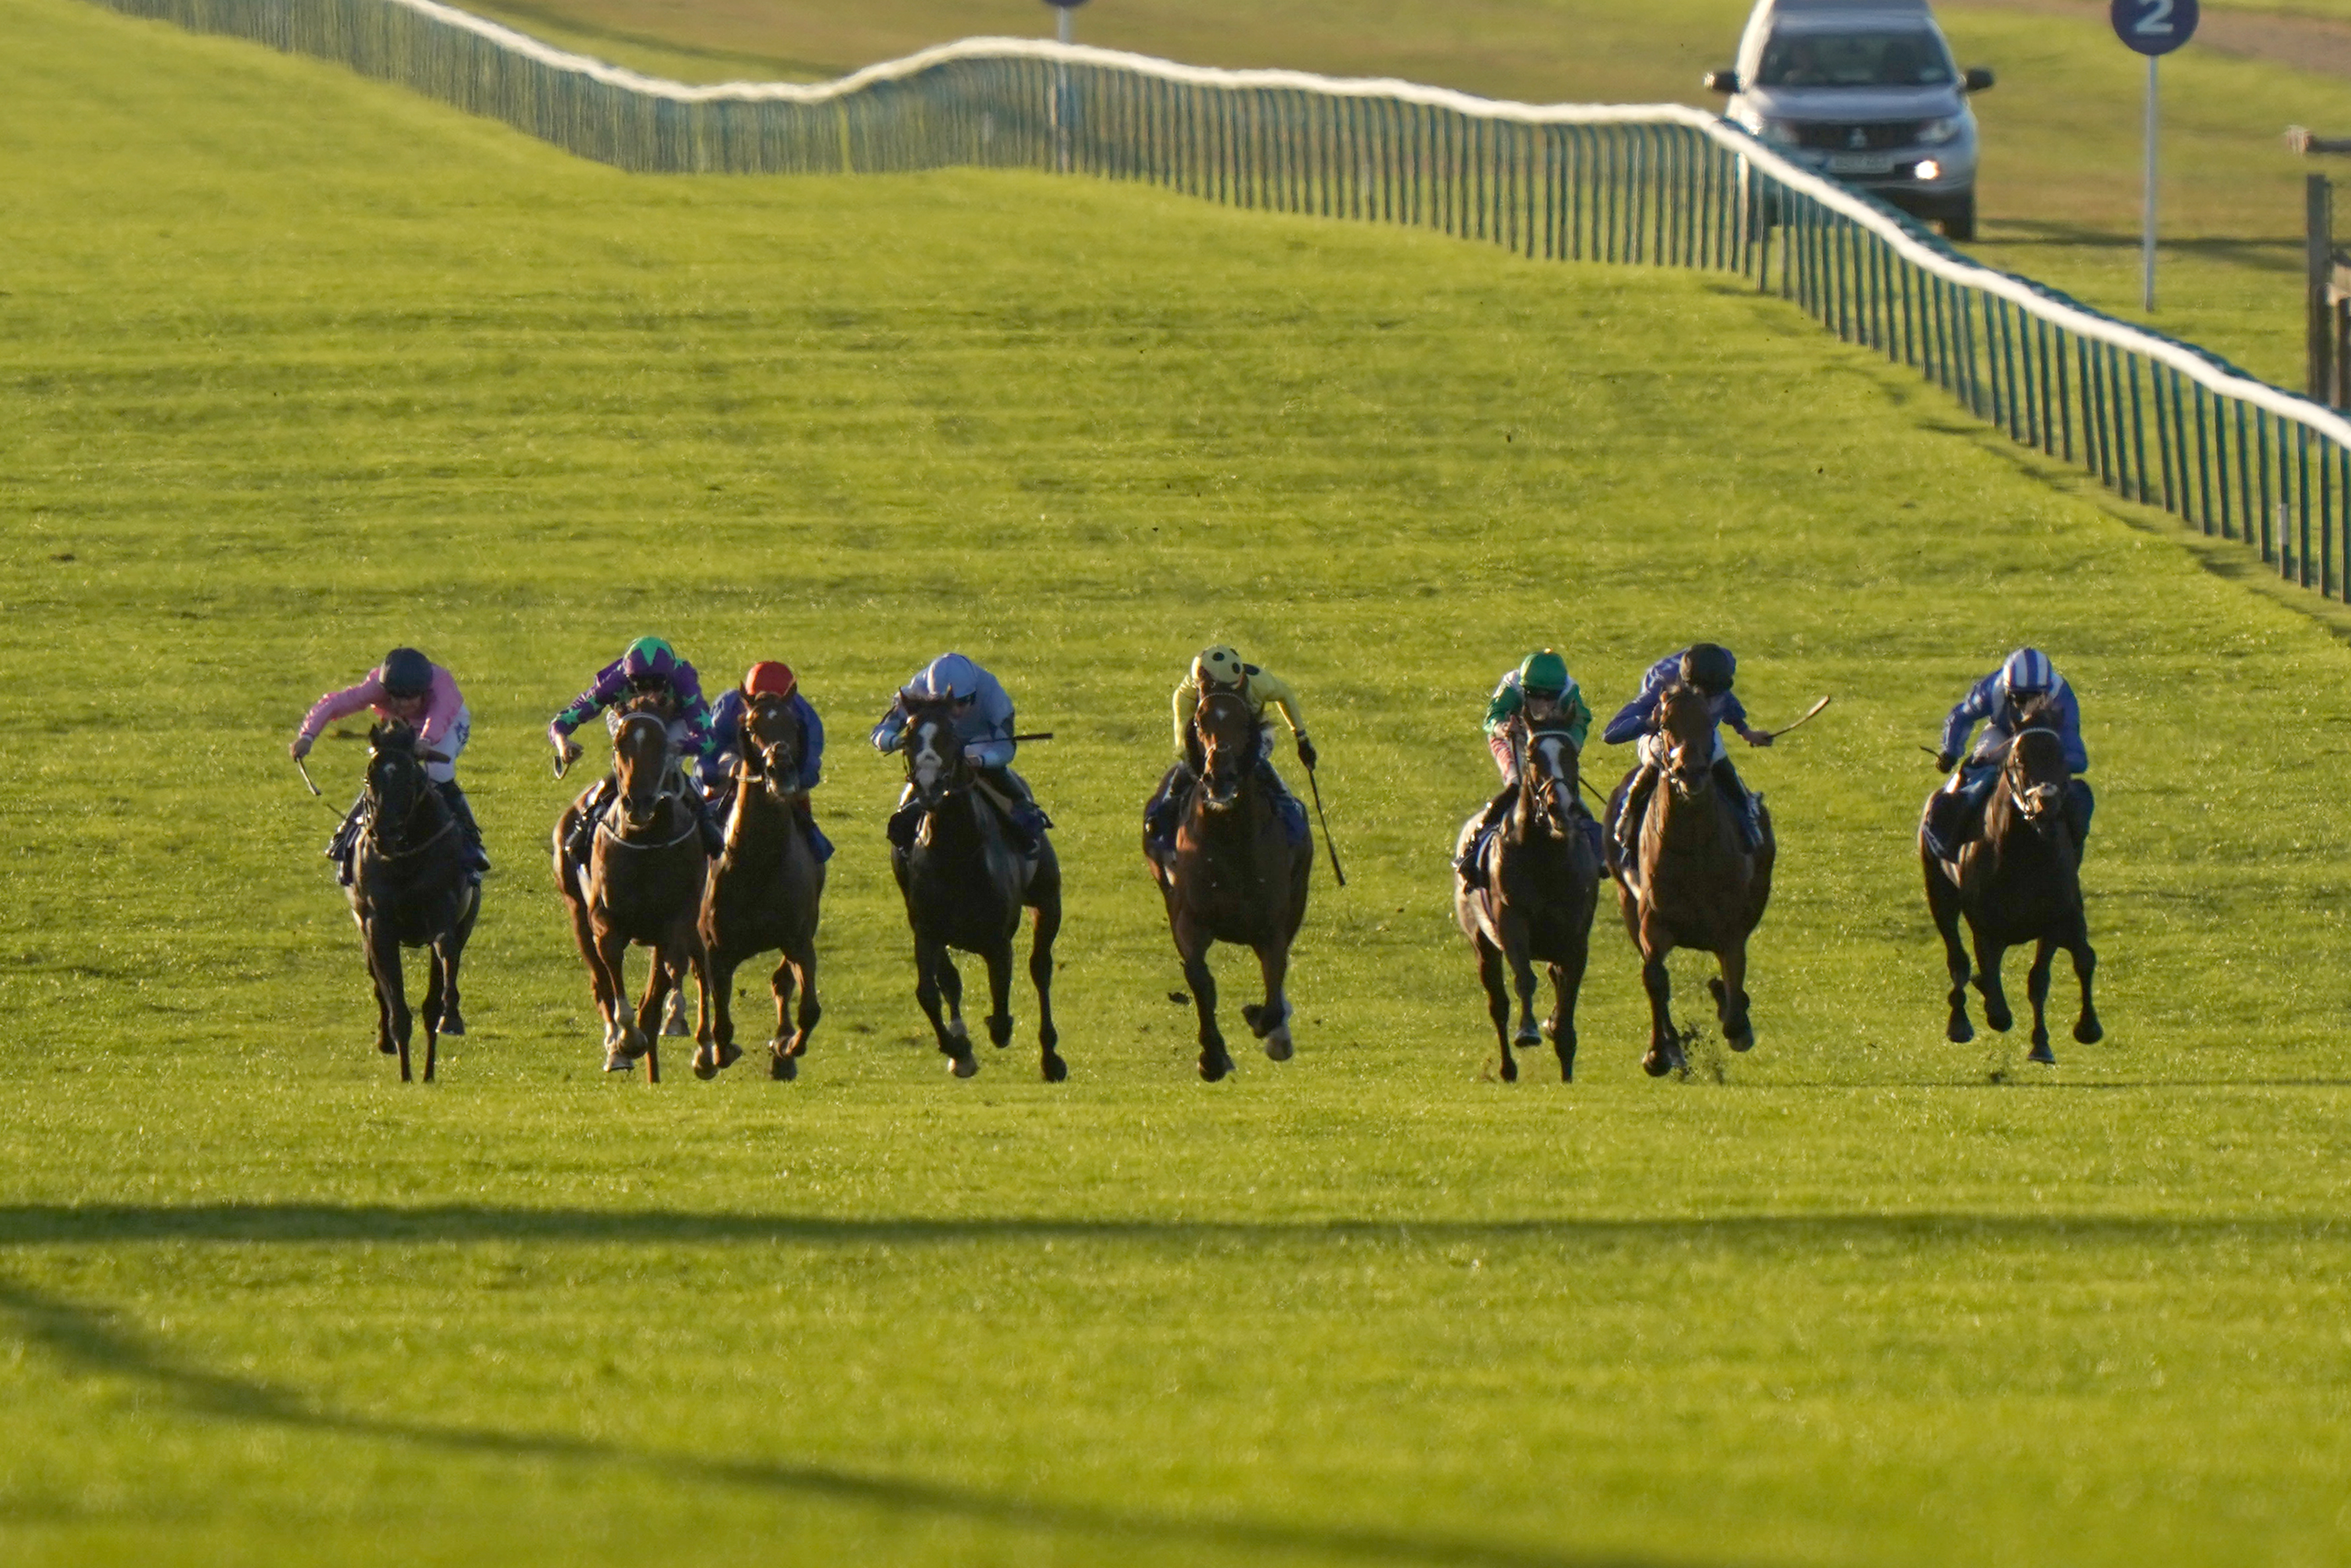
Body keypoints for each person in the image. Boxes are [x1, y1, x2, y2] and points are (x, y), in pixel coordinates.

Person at [293, 647, 487, 886]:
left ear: (424, 692)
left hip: (447, 725)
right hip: (401, 726)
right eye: (396, 697)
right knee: (385, 773)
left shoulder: (442, 689)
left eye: (411, 698)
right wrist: (307, 736)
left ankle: (471, 841)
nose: (403, 703)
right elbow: (335, 704)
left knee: (438, 772)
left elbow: (440, 717)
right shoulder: (376, 686)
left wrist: (425, 742)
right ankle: (346, 835)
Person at [550, 635, 725, 862]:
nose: (649, 692)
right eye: (640, 685)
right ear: (628, 679)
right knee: (634, 759)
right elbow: (564, 720)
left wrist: (680, 747)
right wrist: (563, 744)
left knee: (666, 764)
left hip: (673, 722)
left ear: (669, 678)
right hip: (628, 718)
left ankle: (704, 819)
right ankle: (588, 819)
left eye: (657, 684)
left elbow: (708, 739)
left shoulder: (683, 681)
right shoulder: (614, 682)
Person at [1603, 641, 1772, 860]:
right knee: (1656, 758)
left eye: (1713, 695)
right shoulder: (1661, 682)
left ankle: (1747, 818)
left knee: (1718, 755)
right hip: (1662, 734)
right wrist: (1649, 722)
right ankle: (1627, 824)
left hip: (1700, 732)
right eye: (1703, 695)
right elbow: (1611, 733)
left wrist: (1745, 731)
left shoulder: (1720, 671)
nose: (1709, 700)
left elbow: (1726, 699)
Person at [1144, 645, 1314, 861]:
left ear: (1240, 681)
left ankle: (1288, 807)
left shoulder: (1259, 681)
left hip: (1253, 733)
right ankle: (1166, 811)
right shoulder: (1186, 693)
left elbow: (1286, 694)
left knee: (1259, 764)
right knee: (1184, 770)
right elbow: (1183, 741)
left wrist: (1302, 738)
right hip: (1206, 734)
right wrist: (1194, 763)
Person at [870, 653, 1051, 852]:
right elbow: (880, 733)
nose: (955, 711)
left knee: (997, 776)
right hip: (939, 752)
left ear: (975, 694)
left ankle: (1025, 819)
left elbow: (1006, 749)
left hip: (979, 745)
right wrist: (895, 741)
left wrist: (982, 760)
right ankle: (904, 837)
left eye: (963, 702)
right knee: (920, 783)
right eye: (946, 705)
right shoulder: (916, 691)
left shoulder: (994, 696)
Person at [1925, 647, 2092, 860]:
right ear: (2007, 691)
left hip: (2045, 739)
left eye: (2036, 697)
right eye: (2020, 699)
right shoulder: (1993, 688)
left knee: (2077, 794)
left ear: (2047, 691)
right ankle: (1950, 827)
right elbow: (1962, 716)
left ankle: (2073, 846)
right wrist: (1950, 751)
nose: (2028, 707)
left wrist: (2049, 767)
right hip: (2002, 734)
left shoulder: (2062, 697)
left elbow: (2077, 756)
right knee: (1981, 772)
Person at [1453, 648, 1593, 890]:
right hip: (1512, 740)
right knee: (1517, 784)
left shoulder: (1571, 691)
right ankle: (1471, 851)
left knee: (1565, 790)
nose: (1542, 703)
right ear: (1524, 688)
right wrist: (1503, 727)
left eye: (1549, 697)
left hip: (1549, 742)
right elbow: (1492, 718)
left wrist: (1570, 747)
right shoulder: (1512, 685)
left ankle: (1596, 851)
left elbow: (1580, 724)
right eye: (1535, 696)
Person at [706, 660, 833, 862]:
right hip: (738, 761)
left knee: (800, 795)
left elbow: (811, 762)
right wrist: (722, 771)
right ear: (748, 698)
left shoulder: (804, 715)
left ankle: (814, 849)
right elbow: (708, 753)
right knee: (709, 793)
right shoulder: (728, 706)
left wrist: (796, 778)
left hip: (785, 763)